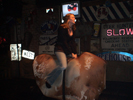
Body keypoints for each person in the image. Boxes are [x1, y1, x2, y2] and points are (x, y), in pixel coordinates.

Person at [46, 13, 77, 88]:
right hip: (60, 49)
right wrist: (70, 53)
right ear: (68, 19)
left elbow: (72, 42)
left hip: (66, 49)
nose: (74, 18)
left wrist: (75, 53)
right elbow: (64, 42)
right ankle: (49, 80)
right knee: (63, 66)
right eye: (72, 17)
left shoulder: (72, 29)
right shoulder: (62, 28)